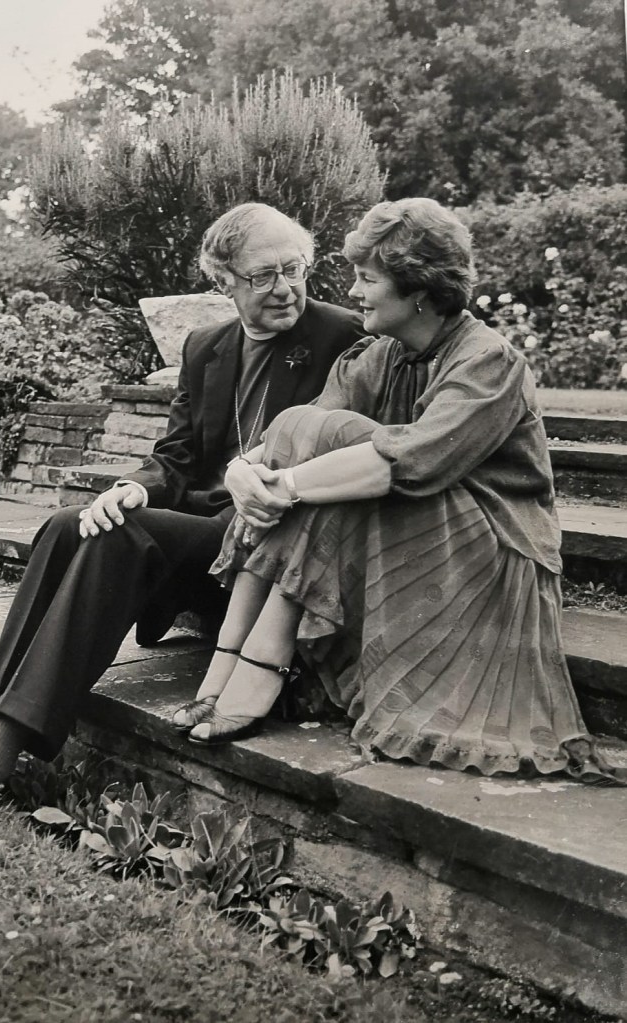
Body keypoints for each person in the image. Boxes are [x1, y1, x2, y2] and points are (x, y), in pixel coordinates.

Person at [0, 202, 363, 845]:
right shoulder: (206, 347)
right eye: (263, 276)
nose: (286, 288)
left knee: (121, 535)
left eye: (295, 268)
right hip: (197, 539)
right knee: (71, 523)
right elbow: (174, 458)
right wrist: (128, 489)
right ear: (222, 281)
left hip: (266, 549)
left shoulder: (344, 337)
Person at [176, 197, 625, 786]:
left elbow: (408, 464)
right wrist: (244, 470)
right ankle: (235, 659)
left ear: (419, 290)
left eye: (367, 279)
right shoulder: (379, 354)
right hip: (411, 522)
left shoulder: (489, 362)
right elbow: (298, 428)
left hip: (490, 545)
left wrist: (283, 486)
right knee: (311, 431)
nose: (354, 292)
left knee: (335, 453)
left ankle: (257, 662)